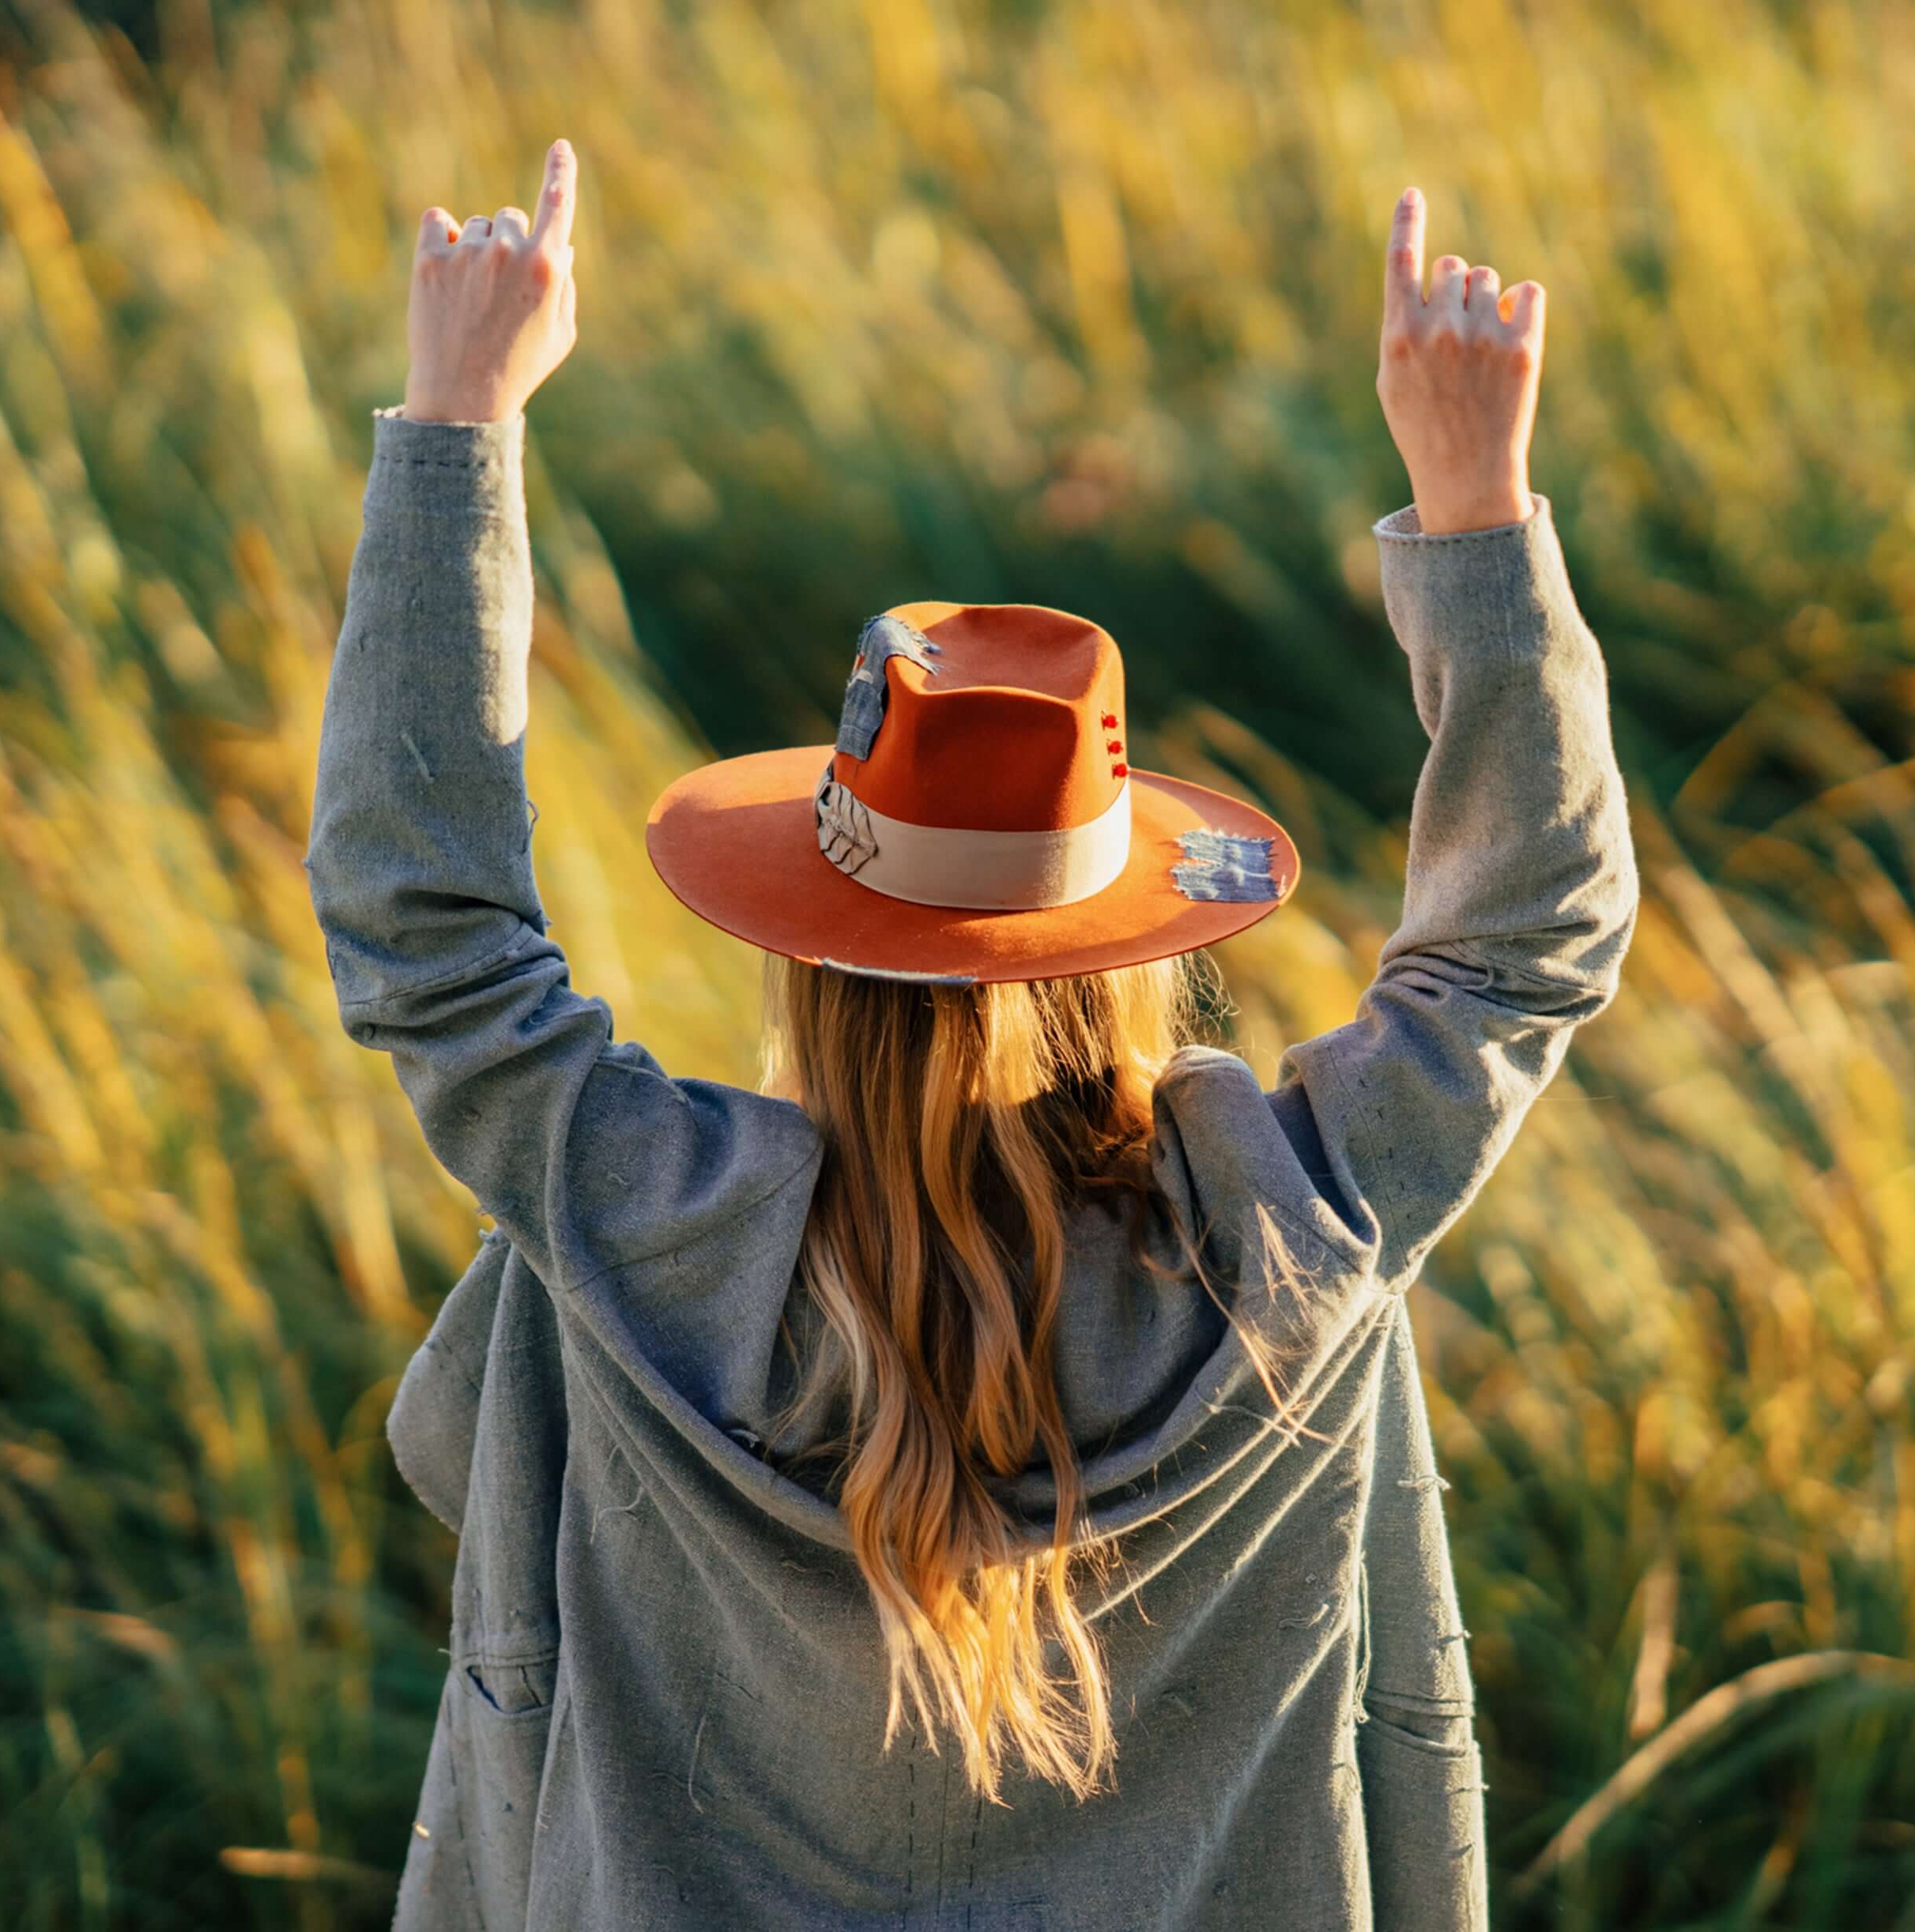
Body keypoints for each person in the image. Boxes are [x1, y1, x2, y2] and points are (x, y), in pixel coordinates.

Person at [307, 135, 1638, 1932]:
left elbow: (429, 935)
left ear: (809, 951)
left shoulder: (647, 1231)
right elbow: (1521, 948)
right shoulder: (1286, 1241)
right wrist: (1478, 508)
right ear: (1132, 942)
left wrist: (462, 424)